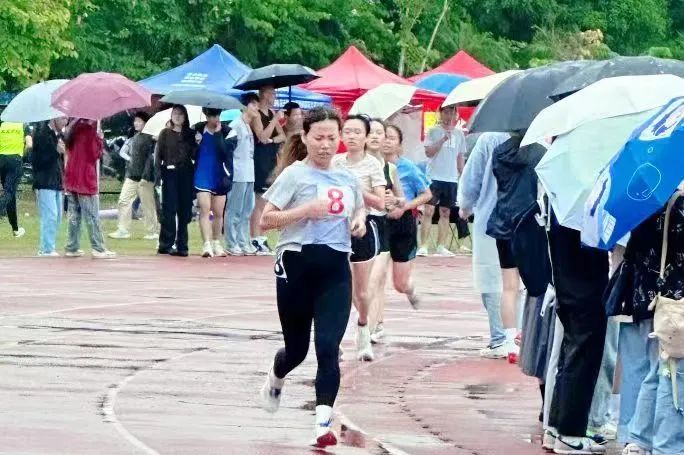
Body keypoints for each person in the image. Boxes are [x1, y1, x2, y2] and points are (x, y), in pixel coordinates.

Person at [258, 107, 366, 449]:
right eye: (318, 137)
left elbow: (359, 207)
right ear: (304, 137)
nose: (325, 145)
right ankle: (276, 376)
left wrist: (360, 221)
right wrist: (306, 210)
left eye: (332, 138)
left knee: (328, 348)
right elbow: (265, 221)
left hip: (335, 270)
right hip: (296, 268)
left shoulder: (348, 178)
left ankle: (322, 425)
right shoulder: (294, 175)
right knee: (297, 350)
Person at [618, 187, 684, 455]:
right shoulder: (679, 205)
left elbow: (634, 249)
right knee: (673, 372)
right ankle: (667, 445)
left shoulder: (648, 200)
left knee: (657, 368)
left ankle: (638, 436)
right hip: (677, 300)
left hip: (653, 296)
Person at [368, 124, 432, 343]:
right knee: (377, 277)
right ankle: (377, 324)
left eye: (391, 138)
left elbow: (426, 194)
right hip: (381, 224)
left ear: (399, 144)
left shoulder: (407, 168)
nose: (386, 141)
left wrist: (405, 207)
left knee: (399, 283)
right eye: (383, 136)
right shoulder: (372, 166)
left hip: (403, 225)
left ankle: (410, 289)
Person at [486, 133, 545, 362]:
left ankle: (510, 341)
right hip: (529, 223)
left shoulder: (499, 152)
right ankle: (532, 337)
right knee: (536, 285)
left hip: (504, 222)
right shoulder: (539, 152)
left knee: (509, 286)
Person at [333, 114, 386, 362]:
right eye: (348, 131)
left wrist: (355, 187)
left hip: (364, 228)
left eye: (357, 132)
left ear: (365, 137)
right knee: (336, 289)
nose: (352, 136)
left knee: (361, 292)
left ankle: (364, 329)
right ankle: (334, 340)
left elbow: (380, 202)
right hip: (334, 228)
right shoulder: (334, 162)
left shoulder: (373, 165)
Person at [457, 133, 509, 358]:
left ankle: (500, 337)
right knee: (520, 281)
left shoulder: (488, 140)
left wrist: (465, 205)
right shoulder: (536, 136)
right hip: (526, 219)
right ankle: (520, 335)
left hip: (490, 217)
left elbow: (472, 178)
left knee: (491, 279)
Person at [63, 118, 116, 259]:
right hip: (85, 178)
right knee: (92, 215)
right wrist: (100, 139)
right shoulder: (90, 130)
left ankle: (72, 247)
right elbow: (94, 155)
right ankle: (98, 248)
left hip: (72, 175)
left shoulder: (73, 128)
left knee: (74, 215)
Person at [417, 106, 466, 257]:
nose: (449, 115)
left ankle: (441, 246)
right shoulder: (433, 131)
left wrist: (462, 174)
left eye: (452, 112)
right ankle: (423, 246)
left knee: (445, 212)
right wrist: (443, 138)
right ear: (440, 113)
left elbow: (460, 157)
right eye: (446, 112)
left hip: (451, 179)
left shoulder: (459, 134)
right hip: (433, 177)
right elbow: (429, 153)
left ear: (456, 114)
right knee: (428, 211)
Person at [108, 112, 158, 241]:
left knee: (148, 205)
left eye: (139, 121)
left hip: (145, 177)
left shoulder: (151, 137)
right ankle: (123, 230)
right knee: (123, 200)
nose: (136, 123)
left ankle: (153, 231)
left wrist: (147, 176)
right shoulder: (135, 137)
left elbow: (151, 157)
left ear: (146, 123)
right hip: (132, 175)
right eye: (135, 121)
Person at [155, 105, 197, 257]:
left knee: (185, 210)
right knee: (169, 208)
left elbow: (195, 155)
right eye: (175, 114)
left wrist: (197, 143)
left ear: (185, 117)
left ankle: (182, 245)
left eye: (180, 114)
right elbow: (158, 156)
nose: (177, 116)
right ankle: (166, 244)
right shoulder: (165, 133)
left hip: (186, 174)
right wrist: (157, 176)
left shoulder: (190, 134)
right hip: (169, 173)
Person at [249, 85, 286, 255]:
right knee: (260, 200)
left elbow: (282, 136)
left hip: (270, 158)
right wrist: (274, 120)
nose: (274, 96)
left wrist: (272, 140)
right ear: (264, 95)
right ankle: (256, 238)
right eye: (272, 93)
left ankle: (262, 237)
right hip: (259, 159)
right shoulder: (257, 114)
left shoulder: (272, 113)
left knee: (266, 200)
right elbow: (262, 137)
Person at [193, 107, 232, 258]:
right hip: (202, 173)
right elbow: (190, 151)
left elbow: (225, 152)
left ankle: (217, 242)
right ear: (206, 116)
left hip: (220, 175)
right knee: (205, 208)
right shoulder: (197, 130)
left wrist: (218, 134)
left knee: (218, 212)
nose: (214, 119)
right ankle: (206, 244)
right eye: (211, 116)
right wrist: (196, 143)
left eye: (217, 115)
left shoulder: (227, 131)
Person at [224, 93, 260, 256]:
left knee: (246, 210)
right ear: (244, 106)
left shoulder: (248, 125)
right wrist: (229, 171)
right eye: (253, 104)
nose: (256, 108)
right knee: (234, 210)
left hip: (249, 173)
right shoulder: (236, 125)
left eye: (257, 104)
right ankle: (231, 243)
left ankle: (243, 241)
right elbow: (227, 149)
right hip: (238, 174)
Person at [31, 117, 68, 257]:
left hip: (56, 181)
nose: (65, 121)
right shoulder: (42, 134)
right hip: (45, 181)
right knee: (50, 216)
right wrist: (56, 151)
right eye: (63, 118)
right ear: (54, 118)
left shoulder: (56, 135)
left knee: (57, 216)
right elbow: (38, 161)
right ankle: (47, 249)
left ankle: (46, 246)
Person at [0, 120, 31, 237]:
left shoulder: (2, 124)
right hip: (15, 160)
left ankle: (15, 229)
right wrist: (23, 154)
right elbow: (29, 144)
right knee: (9, 191)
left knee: (10, 194)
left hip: (2, 159)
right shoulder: (23, 125)